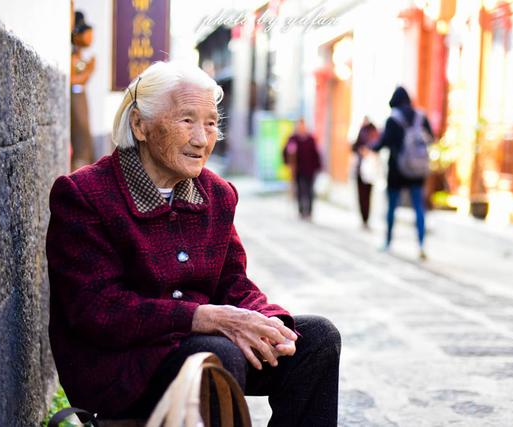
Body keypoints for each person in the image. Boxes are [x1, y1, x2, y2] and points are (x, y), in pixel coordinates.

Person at [46, 61, 341, 426]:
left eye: (212, 123)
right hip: (121, 368)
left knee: (316, 340)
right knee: (215, 358)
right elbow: (97, 309)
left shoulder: (216, 194)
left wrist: (270, 322)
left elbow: (234, 284)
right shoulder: (85, 195)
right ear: (140, 125)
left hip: (198, 349)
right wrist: (202, 318)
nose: (202, 139)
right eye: (187, 120)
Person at [370, 86, 433, 260]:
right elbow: (431, 138)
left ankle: (389, 241)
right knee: (418, 208)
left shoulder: (393, 120)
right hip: (418, 170)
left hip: (397, 171)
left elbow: (382, 143)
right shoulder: (421, 116)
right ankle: (421, 244)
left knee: (392, 207)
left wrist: (370, 147)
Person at [70, 11, 96, 171]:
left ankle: (84, 164)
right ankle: (79, 166)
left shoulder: (80, 56)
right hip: (75, 94)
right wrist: (88, 71)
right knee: (80, 133)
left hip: (81, 95)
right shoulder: (72, 57)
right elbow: (73, 79)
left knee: (85, 133)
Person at [282, 119, 321, 220]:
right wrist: (288, 157)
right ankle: (301, 210)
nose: (301, 128)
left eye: (303, 126)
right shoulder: (293, 139)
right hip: (298, 170)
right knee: (300, 190)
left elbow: (316, 154)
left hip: (310, 170)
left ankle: (309, 211)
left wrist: (318, 167)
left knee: (310, 191)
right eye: (300, 126)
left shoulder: (310, 139)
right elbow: (285, 151)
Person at [352, 117, 380, 229]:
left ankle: (366, 218)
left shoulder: (373, 133)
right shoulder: (361, 132)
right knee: (363, 195)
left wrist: (367, 151)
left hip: (369, 170)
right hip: (361, 169)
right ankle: (364, 218)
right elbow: (354, 147)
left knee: (365, 195)